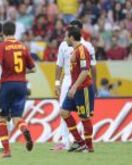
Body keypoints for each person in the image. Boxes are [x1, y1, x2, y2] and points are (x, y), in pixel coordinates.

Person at [0, 21, 35, 158]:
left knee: (2, 118)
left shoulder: (2, 46)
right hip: (21, 85)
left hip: (6, 84)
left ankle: (7, 151)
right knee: (17, 118)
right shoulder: (22, 47)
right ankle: (25, 130)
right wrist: (21, 74)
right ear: (15, 31)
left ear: (4, 33)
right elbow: (33, 68)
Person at [54, 19, 96, 150]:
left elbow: (85, 71)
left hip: (82, 88)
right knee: (64, 111)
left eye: (66, 36)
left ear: (71, 37)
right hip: (74, 87)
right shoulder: (74, 50)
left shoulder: (82, 50)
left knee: (84, 117)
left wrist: (74, 86)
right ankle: (80, 141)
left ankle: (89, 147)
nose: (64, 39)